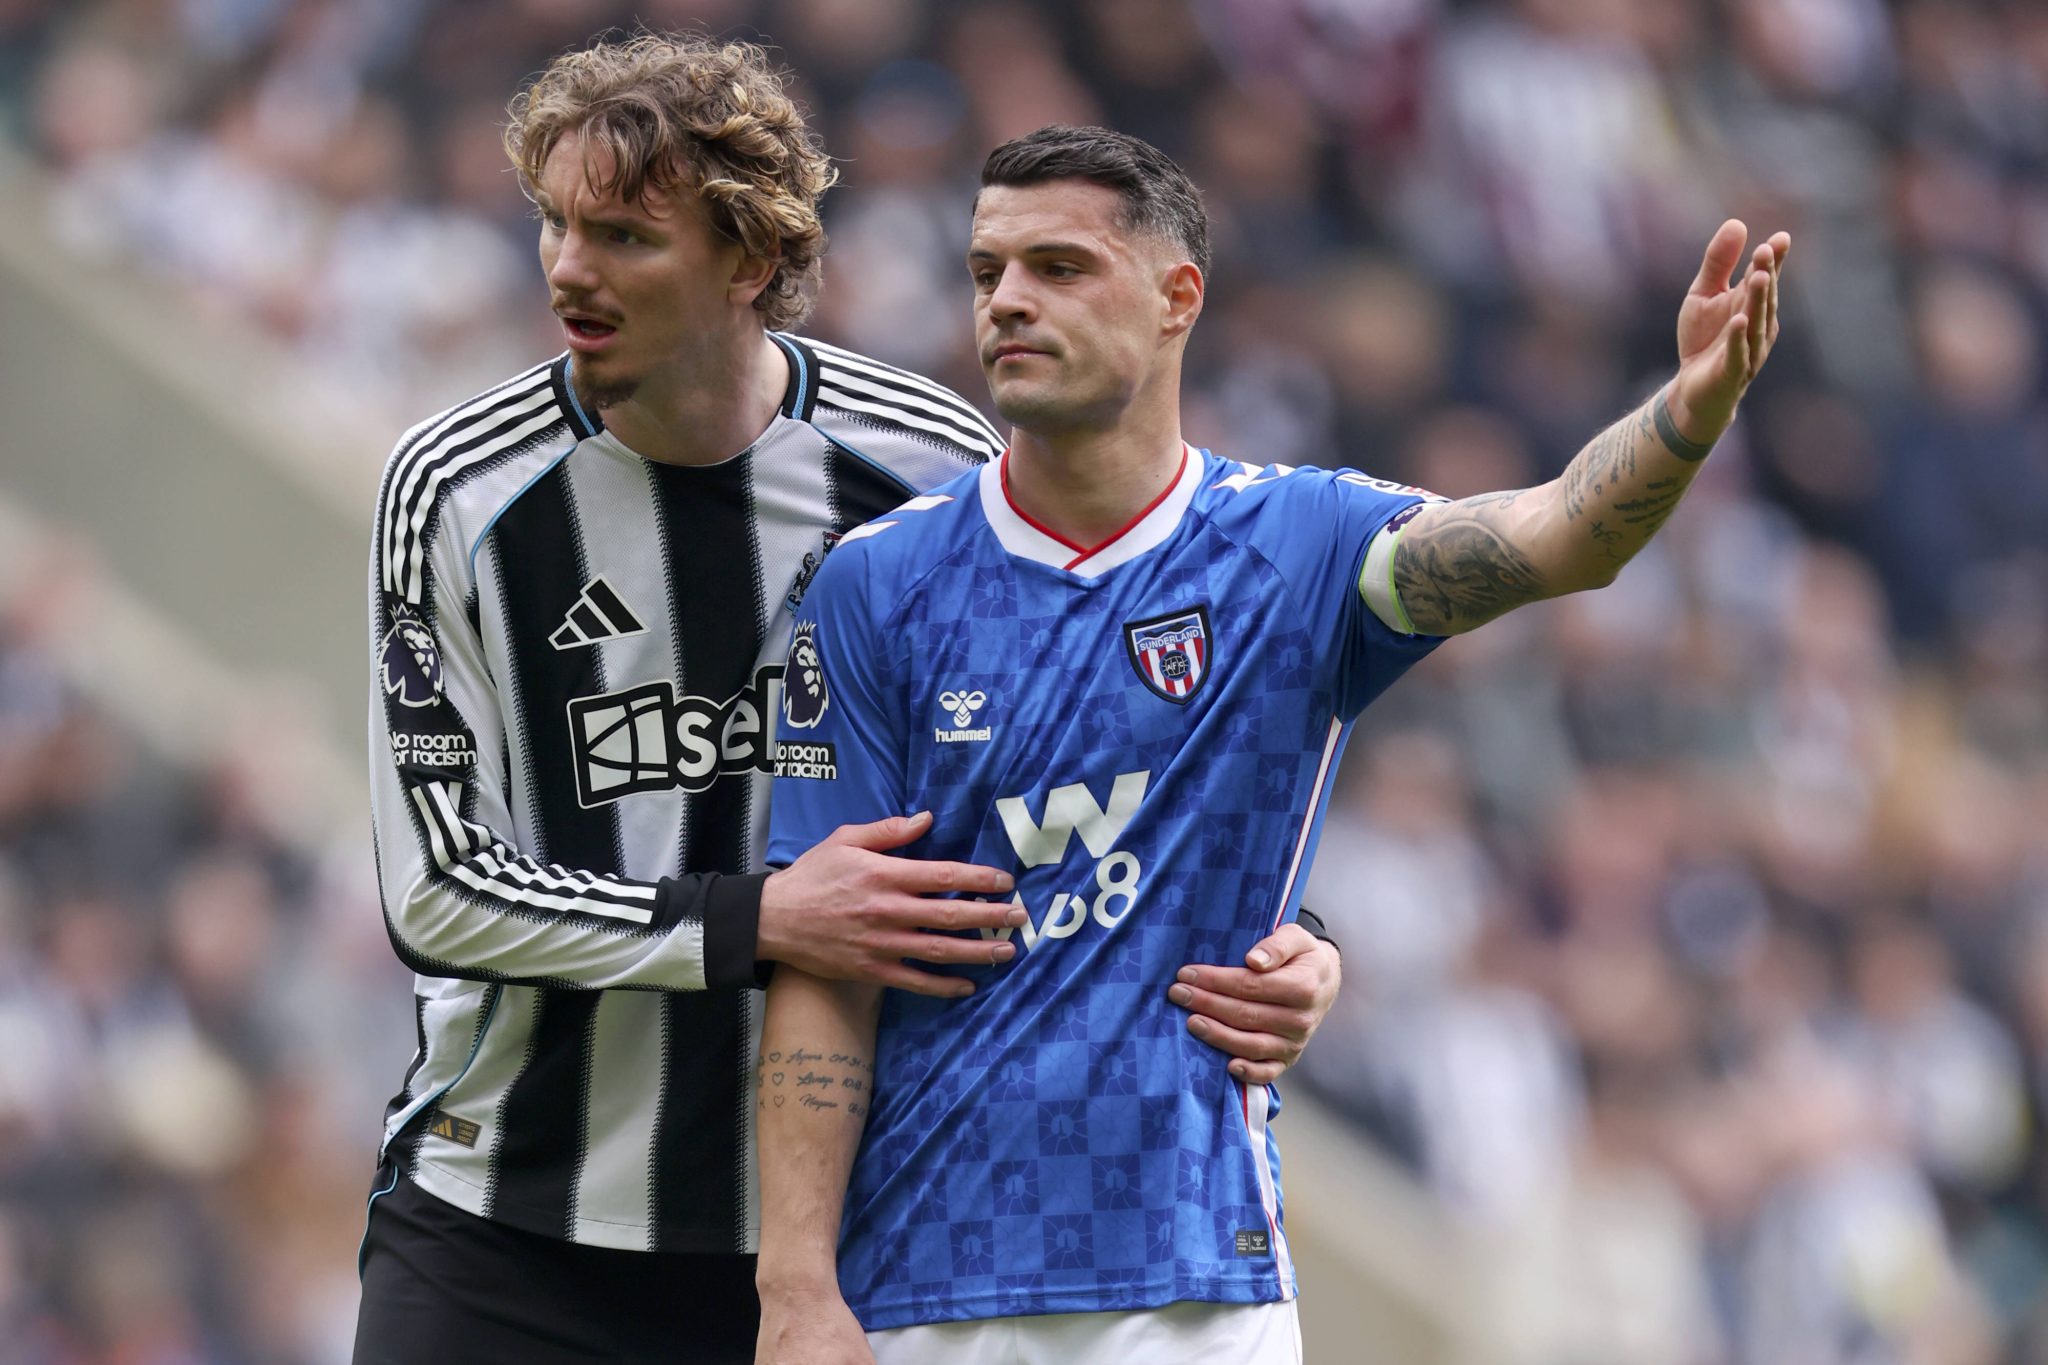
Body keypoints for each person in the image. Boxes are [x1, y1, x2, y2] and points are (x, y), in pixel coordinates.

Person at [354, 38, 1345, 1365]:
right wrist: (757, 918)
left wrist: (1298, 939)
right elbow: (437, 893)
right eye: (556, 226)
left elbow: (1117, 748)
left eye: (627, 237)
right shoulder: (458, 491)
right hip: (507, 1226)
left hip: (833, 1255)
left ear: (750, 262)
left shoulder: (925, 466)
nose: (570, 271)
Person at [754, 124, 1789, 1363]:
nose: (1008, 303)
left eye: (1059, 268)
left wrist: (1681, 414)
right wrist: (795, 1290)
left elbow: (1560, 536)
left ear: (1174, 297)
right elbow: (823, 957)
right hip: (925, 1282)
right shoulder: (877, 586)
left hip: (1196, 1287)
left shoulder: (1294, 545)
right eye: (987, 273)